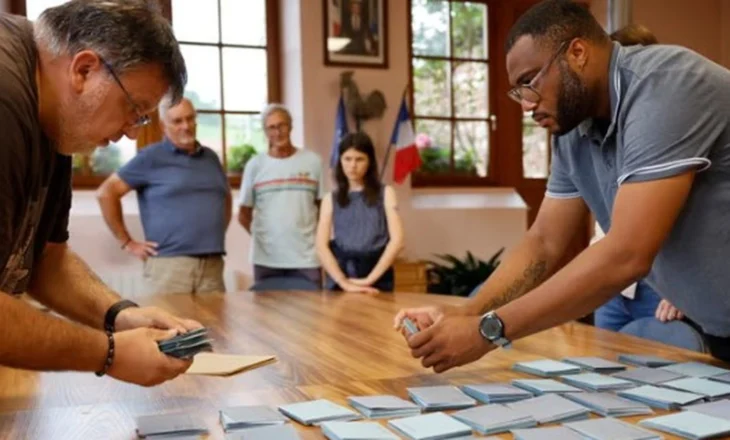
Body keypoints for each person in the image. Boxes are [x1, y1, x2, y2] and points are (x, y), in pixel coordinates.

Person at [395, 0, 730, 371]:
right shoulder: (572, 130)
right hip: (718, 328)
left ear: (577, 52)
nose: (525, 105)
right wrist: (465, 314)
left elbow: (626, 254)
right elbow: (543, 242)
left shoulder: (666, 85)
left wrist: (488, 331)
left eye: (528, 82)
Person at [0, 0, 200, 387]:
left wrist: (120, 316)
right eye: (134, 109)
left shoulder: (54, 109)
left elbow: (45, 258)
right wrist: (110, 354)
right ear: (84, 69)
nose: (131, 131)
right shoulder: (7, 96)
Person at [594, 24, 683, 330]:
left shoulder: (676, 129)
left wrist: (688, 293)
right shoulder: (599, 131)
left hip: (661, 287)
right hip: (610, 285)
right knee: (602, 367)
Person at [97, 98, 232, 295]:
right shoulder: (150, 157)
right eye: (177, 121)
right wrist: (127, 242)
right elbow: (106, 193)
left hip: (213, 265)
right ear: (163, 126)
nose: (186, 126)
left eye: (190, 119)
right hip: (169, 267)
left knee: (215, 326)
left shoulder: (211, 158)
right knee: (168, 326)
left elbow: (225, 197)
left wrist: (214, 232)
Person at [238, 104, 325, 288]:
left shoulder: (313, 162)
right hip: (266, 261)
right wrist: (264, 238)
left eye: (282, 125)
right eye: (271, 127)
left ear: (291, 126)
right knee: (266, 315)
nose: (277, 132)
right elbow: (243, 214)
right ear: (265, 132)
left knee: (312, 314)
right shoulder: (255, 165)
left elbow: (324, 209)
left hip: (306, 260)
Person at [316, 132, 404, 293]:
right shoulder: (330, 198)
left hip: (378, 274)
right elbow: (321, 246)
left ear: (369, 161)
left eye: (359, 159)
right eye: (347, 159)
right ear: (340, 161)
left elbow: (397, 241)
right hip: (341, 276)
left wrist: (369, 280)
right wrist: (343, 282)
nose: (352, 166)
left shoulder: (386, 193)